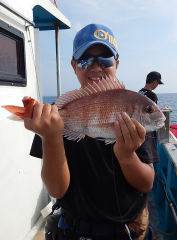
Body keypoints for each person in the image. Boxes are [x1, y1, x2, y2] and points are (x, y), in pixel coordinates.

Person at [25, 23, 157, 240]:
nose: (96, 68)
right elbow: (56, 191)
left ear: (116, 63)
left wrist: (126, 156)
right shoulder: (56, 118)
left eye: (105, 59)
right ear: (74, 65)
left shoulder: (138, 115)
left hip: (128, 232)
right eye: (85, 60)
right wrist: (51, 139)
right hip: (73, 230)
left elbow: (146, 183)